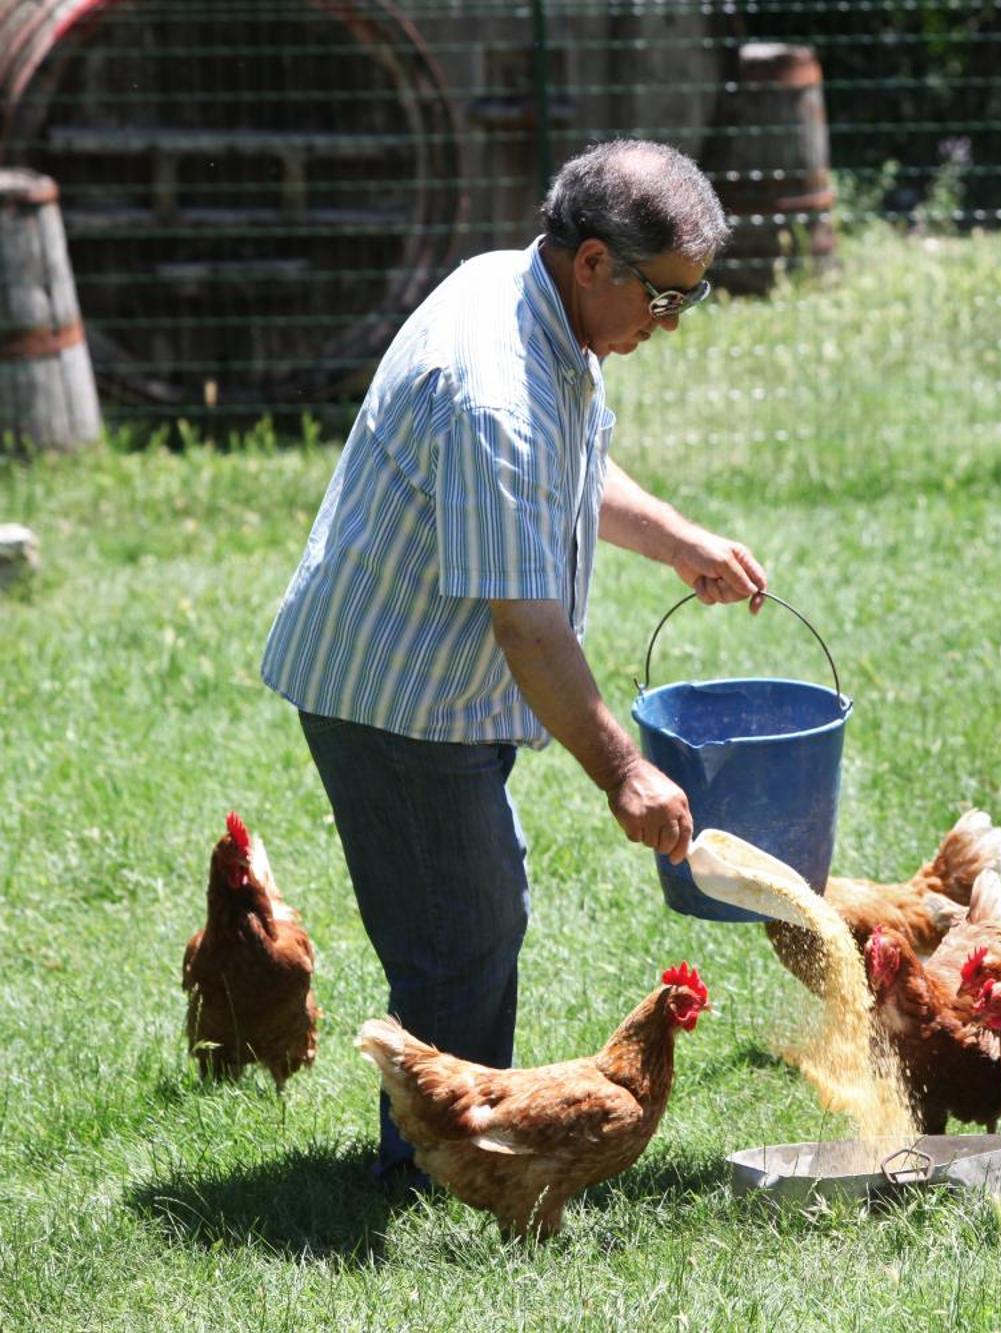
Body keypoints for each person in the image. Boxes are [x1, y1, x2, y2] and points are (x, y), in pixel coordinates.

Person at [260, 140, 766, 1183]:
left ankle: (445, 1149)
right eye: (662, 298)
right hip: (395, 697)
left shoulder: (525, 293)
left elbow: (569, 465)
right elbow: (526, 622)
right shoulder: (492, 386)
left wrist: (676, 539)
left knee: (474, 915)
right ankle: (438, 1172)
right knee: (461, 935)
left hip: (426, 682)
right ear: (593, 262)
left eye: (685, 299)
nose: (665, 326)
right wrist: (627, 772)